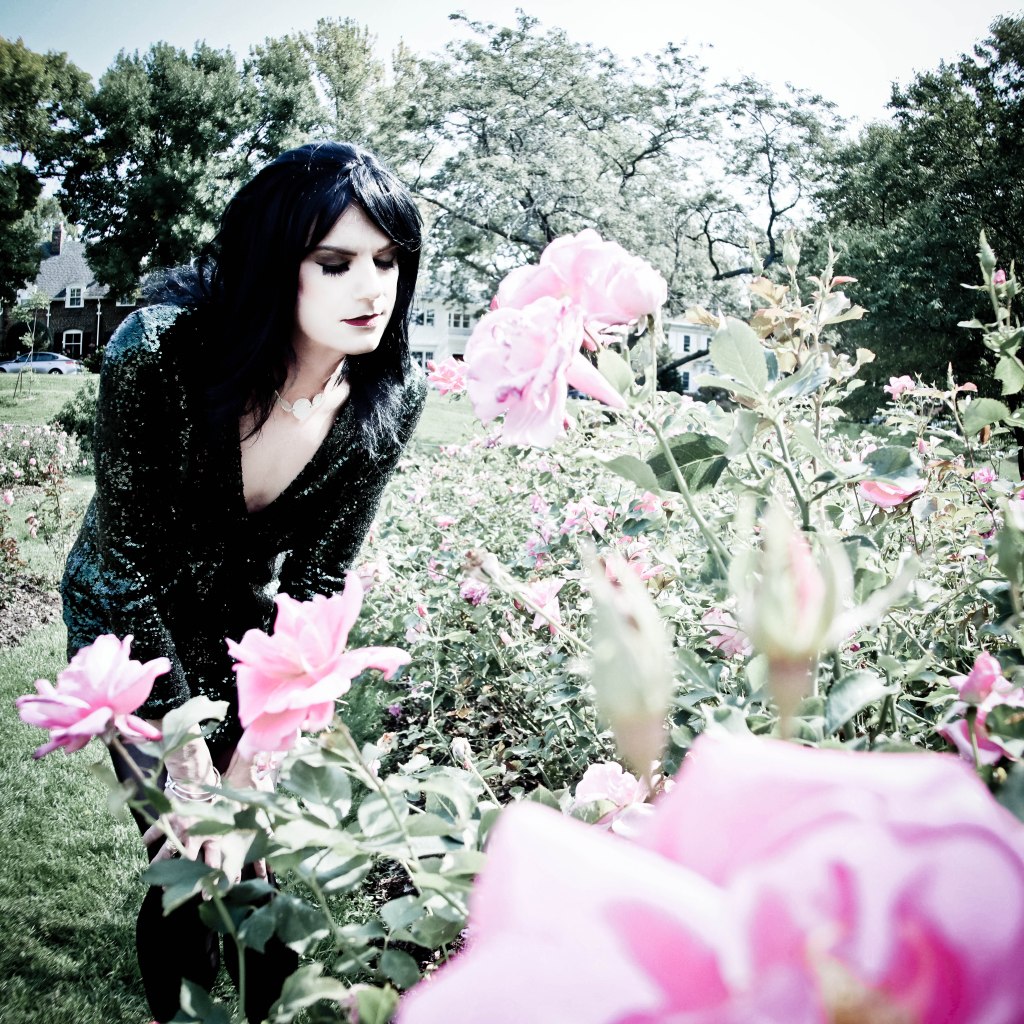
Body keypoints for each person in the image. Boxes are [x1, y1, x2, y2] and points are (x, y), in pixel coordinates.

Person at [60, 141, 428, 1023]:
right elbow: (123, 562)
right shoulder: (160, 351)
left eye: (387, 261)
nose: (372, 288)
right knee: (187, 850)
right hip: (126, 615)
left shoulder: (392, 389)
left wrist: (257, 756)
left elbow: (319, 577)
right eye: (335, 263)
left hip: (246, 624)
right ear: (273, 264)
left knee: (254, 853)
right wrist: (188, 762)